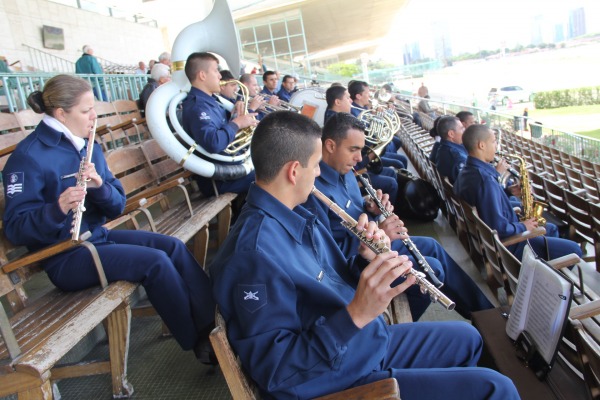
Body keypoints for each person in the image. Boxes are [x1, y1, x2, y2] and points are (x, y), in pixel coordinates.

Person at [209, 110, 519, 400]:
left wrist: (363, 259)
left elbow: (328, 284)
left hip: (359, 343)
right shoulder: (254, 256)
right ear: (293, 171)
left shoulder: (296, 214)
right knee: (497, 388)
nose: (319, 172)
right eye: (316, 164)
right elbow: (279, 371)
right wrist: (356, 314)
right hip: (334, 376)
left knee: (469, 338)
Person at [2, 74, 216, 363]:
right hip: (64, 256)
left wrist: (99, 187)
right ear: (61, 113)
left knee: (172, 247)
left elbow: (116, 206)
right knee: (155, 263)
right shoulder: (28, 157)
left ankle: (212, 325)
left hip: (97, 237)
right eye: (86, 110)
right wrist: (58, 208)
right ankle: (199, 343)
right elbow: (16, 229)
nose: (94, 116)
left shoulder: (87, 144)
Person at [304, 113, 494, 321]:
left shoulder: (346, 170)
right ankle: (395, 327)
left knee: (432, 246)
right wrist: (381, 233)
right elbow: (330, 256)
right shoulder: (315, 191)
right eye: (354, 150)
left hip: (375, 245)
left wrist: (372, 209)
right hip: (358, 264)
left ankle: (485, 314)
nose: (360, 158)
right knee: (434, 269)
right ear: (330, 146)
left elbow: (355, 215)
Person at [454, 124, 583, 261]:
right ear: (481, 145)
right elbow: (500, 228)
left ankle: (548, 264)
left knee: (550, 228)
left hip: (497, 238)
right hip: (513, 245)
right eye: (493, 141)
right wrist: (523, 226)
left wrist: (507, 191)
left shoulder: (467, 171)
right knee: (574, 250)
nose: (496, 145)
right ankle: (547, 270)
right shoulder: (485, 181)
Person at [181, 52, 257, 196]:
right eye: (216, 70)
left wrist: (236, 113)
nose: (220, 76)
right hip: (219, 180)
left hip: (231, 170)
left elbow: (225, 129)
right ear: (202, 75)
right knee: (273, 176)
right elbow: (214, 142)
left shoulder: (212, 101)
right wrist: (236, 123)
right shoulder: (197, 106)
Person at [323, 87, 398, 204]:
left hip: (356, 168)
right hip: (357, 168)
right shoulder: (336, 122)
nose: (351, 100)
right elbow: (357, 161)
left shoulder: (343, 119)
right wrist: (371, 156)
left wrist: (373, 212)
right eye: (347, 98)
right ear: (337, 102)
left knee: (393, 171)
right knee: (393, 178)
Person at [348, 80, 407, 170]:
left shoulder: (363, 108)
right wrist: (379, 118)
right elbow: (369, 138)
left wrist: (386, 115)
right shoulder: (355, 113)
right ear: (358, 96)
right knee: (399, 162)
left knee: (400, 155)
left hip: (372, 150)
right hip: (366, 154)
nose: (370, 96)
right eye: (367, 93)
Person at [433, 116, 467, 184]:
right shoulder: (458, 157)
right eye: (461, 129)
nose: (464, 131)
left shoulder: (441, 148)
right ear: (451, 134)